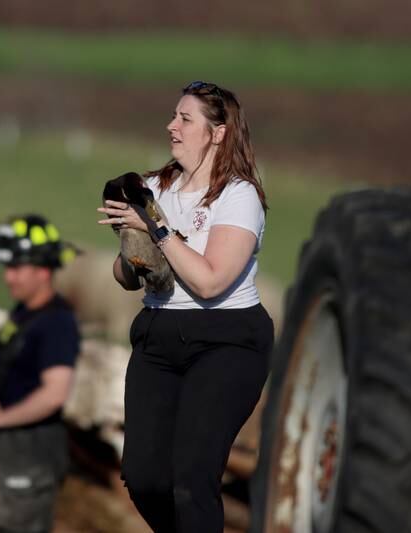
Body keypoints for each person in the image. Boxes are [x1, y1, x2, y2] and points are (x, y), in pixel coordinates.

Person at [97, 81, 274, 533]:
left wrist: (154, 227)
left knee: (191, 482)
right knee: (143, 478)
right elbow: (126, 276)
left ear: (217, 133)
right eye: (174, 116)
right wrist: (132, 248)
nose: (171, 126)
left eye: (185, 119)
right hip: (158, 336)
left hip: (226, 342)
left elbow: (211, 281)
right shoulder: (154, 187)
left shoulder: (239, 195)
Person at [0, 213, 81, 533]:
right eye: (6, 268)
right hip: (2, 452)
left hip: (29, 454)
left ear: (42, 270)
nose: (7, 277)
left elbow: (54, 394)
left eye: (15, 268)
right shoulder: (23, 315)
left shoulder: (57, 324)